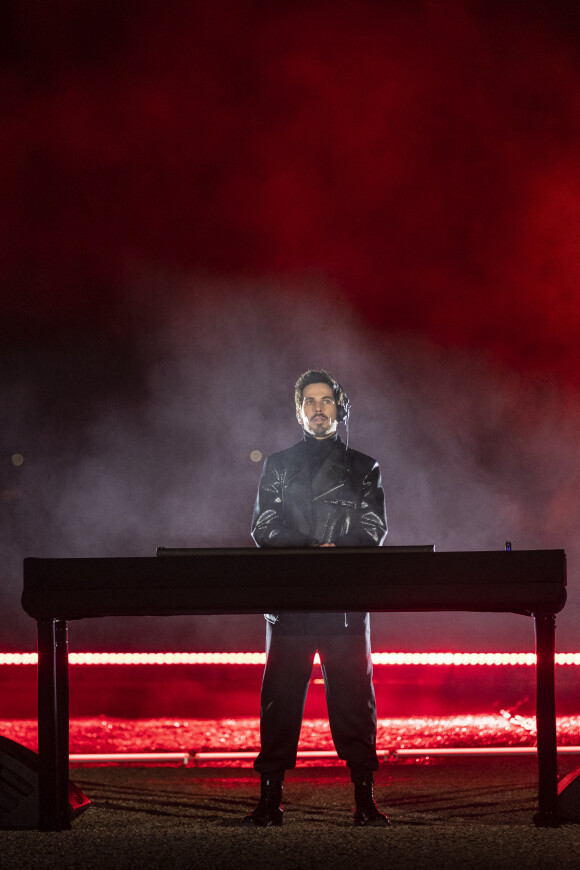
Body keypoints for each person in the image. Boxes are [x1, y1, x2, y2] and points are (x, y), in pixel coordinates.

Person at [243, 369, 389, 827]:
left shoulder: (365, 466)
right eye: (311, 401)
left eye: (326, 400)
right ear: (299, 409)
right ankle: (270, 801)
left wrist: (335, 550)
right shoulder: (278, 464)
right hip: (290, 599)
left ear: (339, 408)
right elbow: (262, 525)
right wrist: (309, 550)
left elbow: (374, 528)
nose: (319, 408)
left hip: (344, 601)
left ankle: (364, 801)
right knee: (279, 700)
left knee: (354, 699)